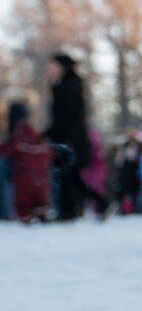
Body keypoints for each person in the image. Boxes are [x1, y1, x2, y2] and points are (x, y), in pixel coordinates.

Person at [44, 53, 93, 221]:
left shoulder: (70, 85)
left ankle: (69, 211)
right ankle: (72, 209)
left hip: (70, 138)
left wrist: (61, 136)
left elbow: (71, 115)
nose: (50, 69)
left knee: (68, 175)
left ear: (62, 67)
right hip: (64, 136)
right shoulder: (62, 85)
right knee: (70, 176)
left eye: (53, 65)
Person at [0, 102, 52, 223]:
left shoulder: (18, 133)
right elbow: (46, 150)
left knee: (22, 198)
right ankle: (40, 212)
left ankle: (25, 217)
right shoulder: (34, 133)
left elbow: (11, 149)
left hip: (23, 174)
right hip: (40, 175)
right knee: (40, 196)